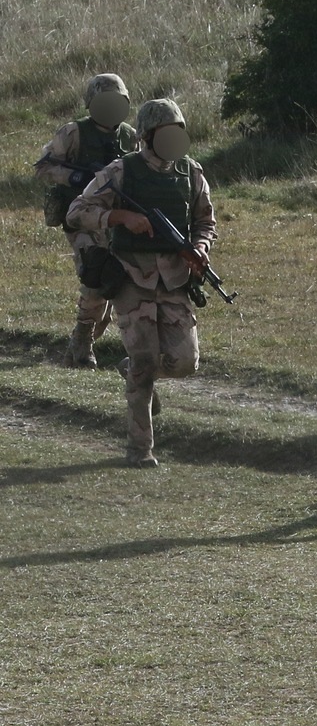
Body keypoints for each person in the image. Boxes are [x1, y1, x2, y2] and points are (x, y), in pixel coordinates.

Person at [64, 98, 214, 467]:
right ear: (147, 137)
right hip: (131, 276)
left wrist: (199, 247)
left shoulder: (191, 173)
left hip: (175, 279)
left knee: (184, 362)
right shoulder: (120, 172)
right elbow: (77, 212)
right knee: (145, 362)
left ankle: (129, 368)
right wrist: (119, 217)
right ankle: (140, 450)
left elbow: (206, 221)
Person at [34, 73, 138, 368]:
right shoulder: (74, 133)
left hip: (116, 219)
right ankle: (81, 347)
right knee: (95, 277)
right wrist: (74, 176)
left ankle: (81, 346)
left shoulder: (129, 136)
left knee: (113, 285)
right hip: (81, 216)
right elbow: (43, 167)